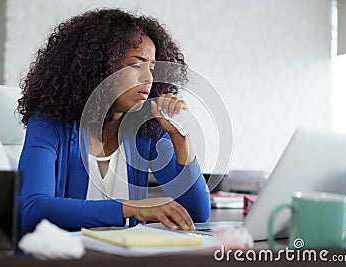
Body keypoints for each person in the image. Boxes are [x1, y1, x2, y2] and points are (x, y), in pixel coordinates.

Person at [17, 8, 210, 233]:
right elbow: (33, 210)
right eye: (136, 65)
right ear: (99, 68)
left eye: (152, 68)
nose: (148, 78)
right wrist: (132, 209)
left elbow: (197, 213)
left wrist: (181, 140)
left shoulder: (146, 131)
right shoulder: (49, 124)